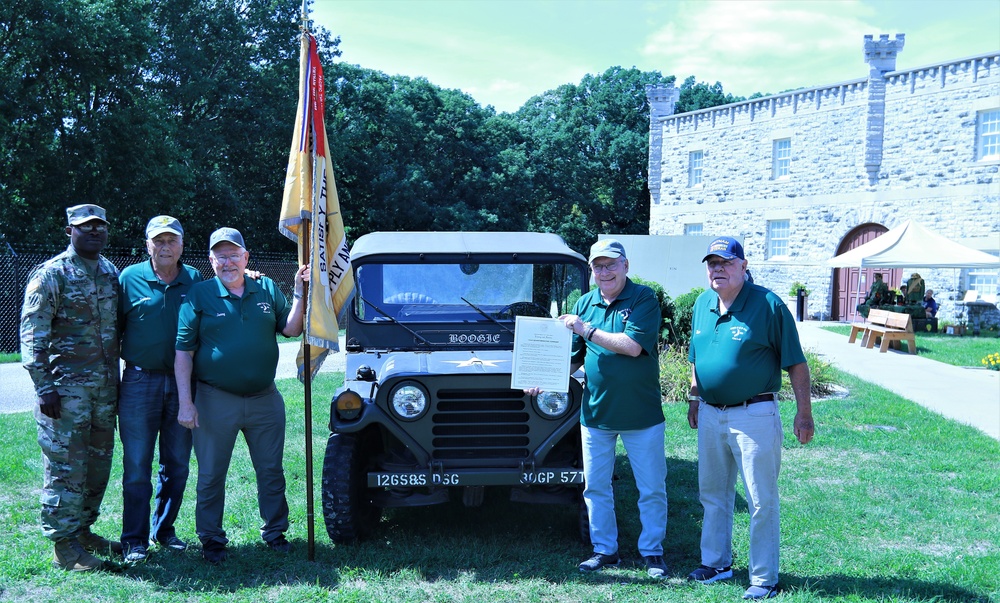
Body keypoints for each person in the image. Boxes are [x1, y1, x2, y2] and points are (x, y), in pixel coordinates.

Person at [529, 239, 668, 578]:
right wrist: (546, 375)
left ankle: (652, 552)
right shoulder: (585, 302)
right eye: (598, 266)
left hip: (641, 415)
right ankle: (605, 550)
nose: (604, 271)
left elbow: (633, 347)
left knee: (650, 488)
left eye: (611, 265)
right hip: (595, 414)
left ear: (625, 266)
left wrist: (585, 328)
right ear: (591, 270)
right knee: (595, 487)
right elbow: (575, 357)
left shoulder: (643, 299)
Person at [686, 236, 814, 600]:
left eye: (726, 262)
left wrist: (804, 414)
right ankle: (716, 563)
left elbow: (796, 364)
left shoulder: (768, 305)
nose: (718, 269)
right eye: (712, 263)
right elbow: (696, 358)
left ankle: (764, 578)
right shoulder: (702, 303)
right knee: (712, 493)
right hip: (711, 414)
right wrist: (695, 397)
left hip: (754, 413)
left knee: (760, 499)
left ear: (744, 266)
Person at [175, 227, 308, 564]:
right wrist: (186, 403)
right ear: (211, 260)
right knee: (210, 474)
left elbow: (291, 329)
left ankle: (275, 532)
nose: (228, 261)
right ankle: (212, 540)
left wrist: (298, 292)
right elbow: (183, 354)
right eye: (221, 255)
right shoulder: (198, 295)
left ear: (246, 257)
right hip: (215, 398)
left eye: (234, 254)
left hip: (265, 398)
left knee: (271, 470)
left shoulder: (265, 287)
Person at [20, 204, 122, 571]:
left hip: (104, 393)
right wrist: (44, 386)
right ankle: (63, 546)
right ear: (69, 231)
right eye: (85, 227)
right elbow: (32, 336)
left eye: (99, 227)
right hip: (63, 396)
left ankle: (82, 531)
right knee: (65, 469)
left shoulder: (110, 273)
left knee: (97, 467)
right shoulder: (51, 274)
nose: (94, 232)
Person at [117, 216, 203, 562]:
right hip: (139, 382)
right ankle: (134, 539)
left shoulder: (194, 279)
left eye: (172, 241)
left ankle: (164, 530)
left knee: (178, 463)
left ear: (182, 245)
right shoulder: (128, 279)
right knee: (137, 465)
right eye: (158, 241)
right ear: (147, 245)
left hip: (184, 384)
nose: (165, 247)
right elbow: (113, 332)